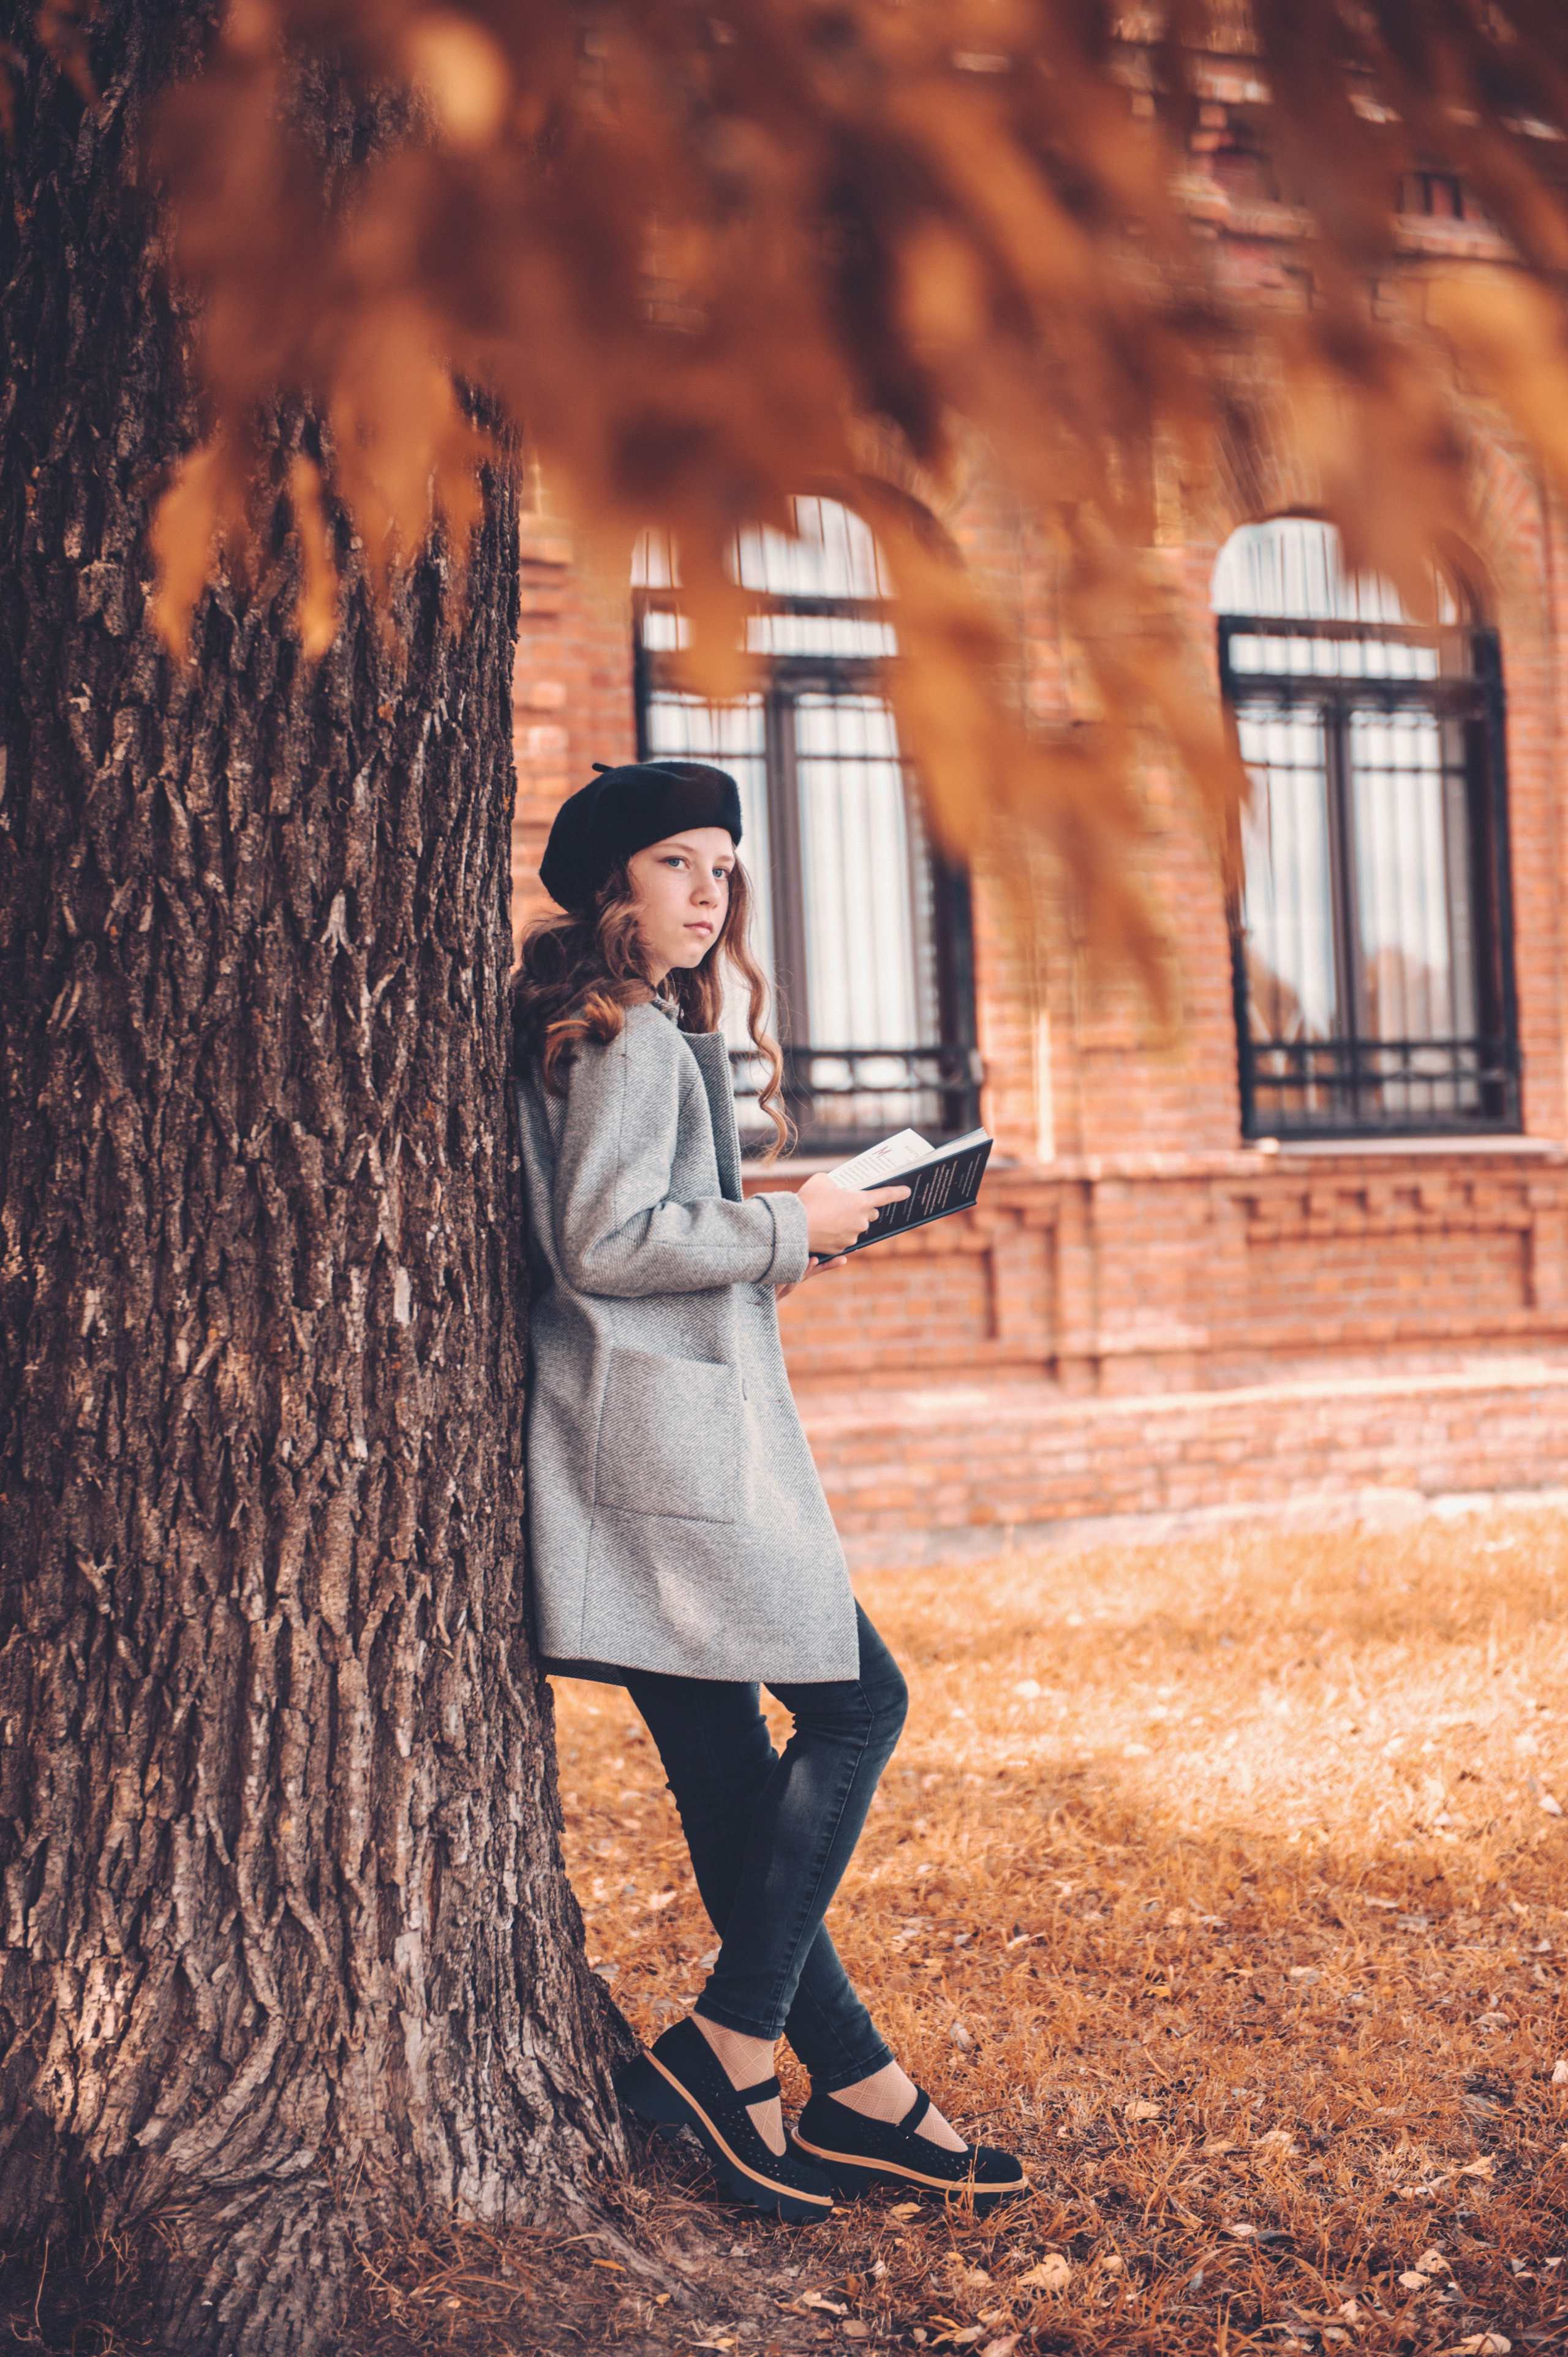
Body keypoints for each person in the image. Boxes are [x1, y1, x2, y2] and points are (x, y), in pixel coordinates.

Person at [513, 758, 1027, 2223]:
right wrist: (789, 1226)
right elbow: (607, 1242)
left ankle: (857, 2090)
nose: (707, 890)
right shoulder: (624, 1035)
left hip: (636, 1438)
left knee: (732, 1773)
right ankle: (732, 2041)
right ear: (609, 882)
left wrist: (790, 1233)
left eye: (722, 867)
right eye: (675, 861)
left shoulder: (609, 1025)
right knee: (860, 1703)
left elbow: (636, 1235)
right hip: (666, 1453)